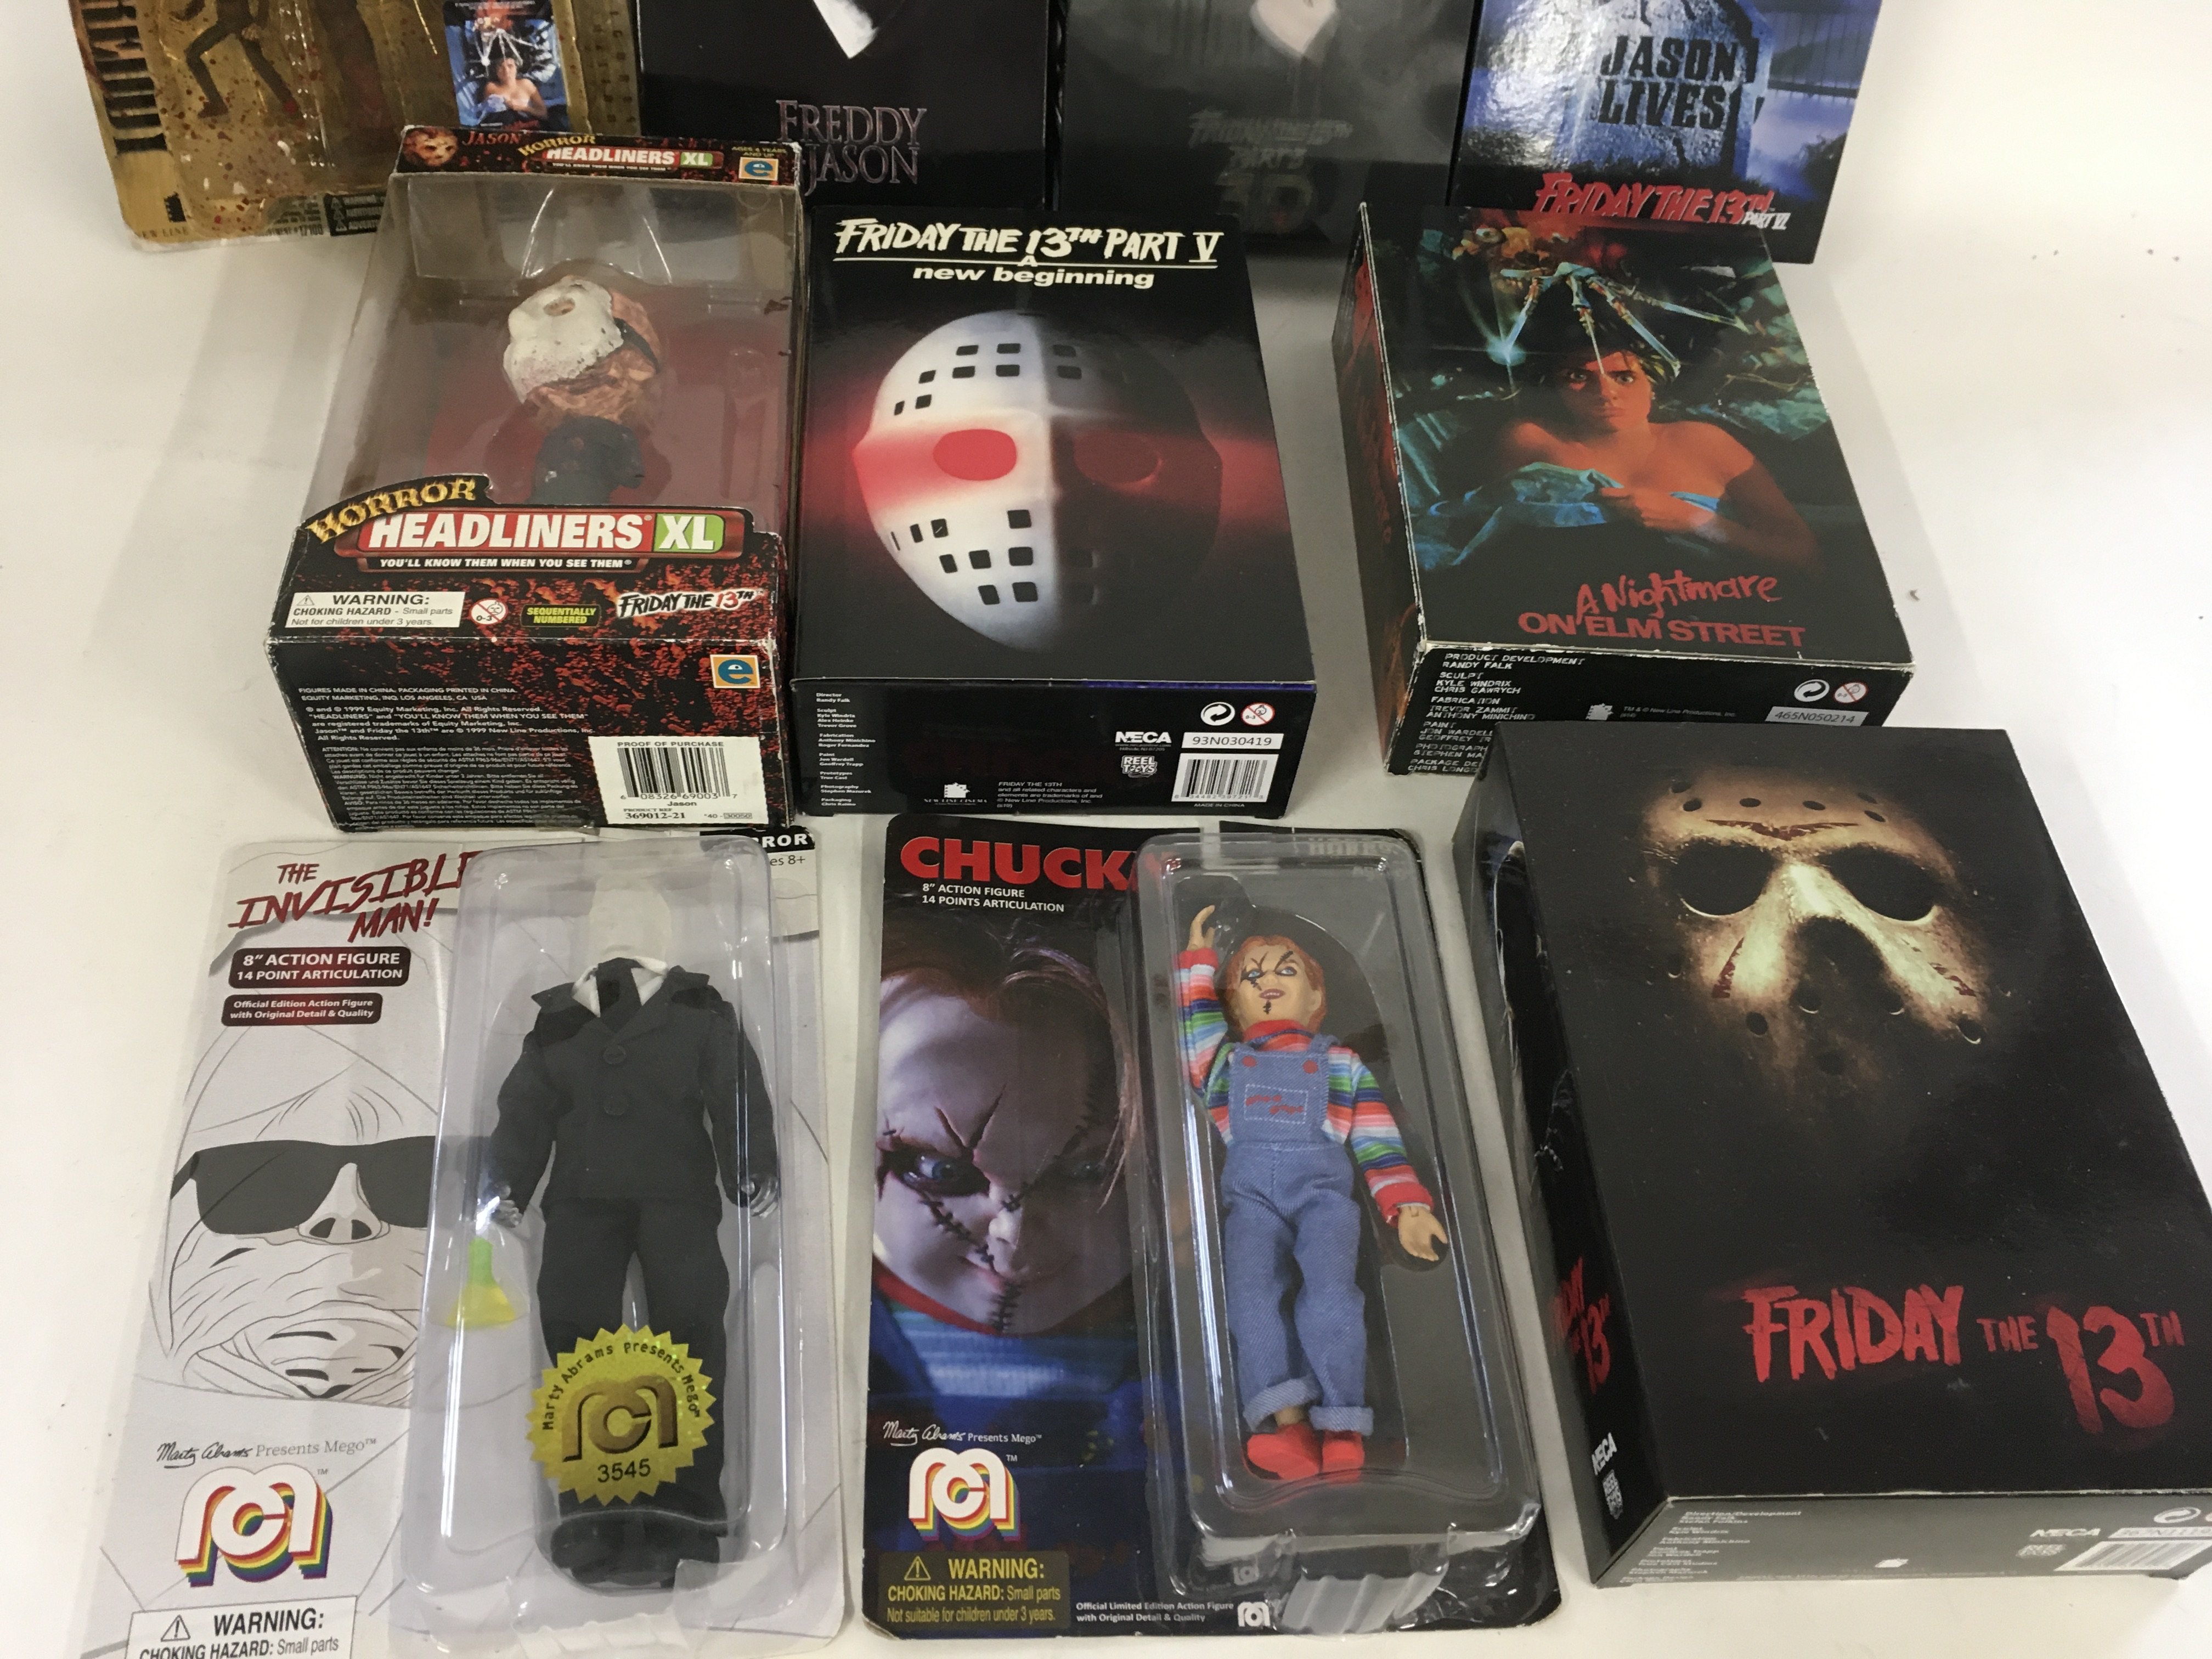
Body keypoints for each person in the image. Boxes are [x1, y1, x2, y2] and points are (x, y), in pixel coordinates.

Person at [867, 910, 1148, 1593]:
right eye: (940, 1171)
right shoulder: (807, 1339)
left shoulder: (1206, 1336)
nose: (1013, 1241)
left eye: (1086, 1172)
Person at [1177, 905, 1445, 1480]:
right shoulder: (1225, 1066)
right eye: (1251, 976)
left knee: (1332, 1296)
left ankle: (1343, 1424)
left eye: (1286, 970)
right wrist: (1198, 962)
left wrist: (1407, 1206)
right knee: (1250, 1299)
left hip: (1324, 1199)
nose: (1267, 982)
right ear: (1234, 1003)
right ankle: (1289, 1425)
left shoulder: (1341, 1064)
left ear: (1316, 997)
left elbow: (1376, 1139)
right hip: (1250, 1204)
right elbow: (1195, 1026)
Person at [1488, 348, 1819, 569]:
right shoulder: (1530, 440)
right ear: (1555, 389)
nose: (1605, 393)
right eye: (1578, 377)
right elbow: (1490, 543)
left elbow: (1803, 553)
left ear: (1653, 385)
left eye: (1624, 377)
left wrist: (1696, 521)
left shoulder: (1703, 442)